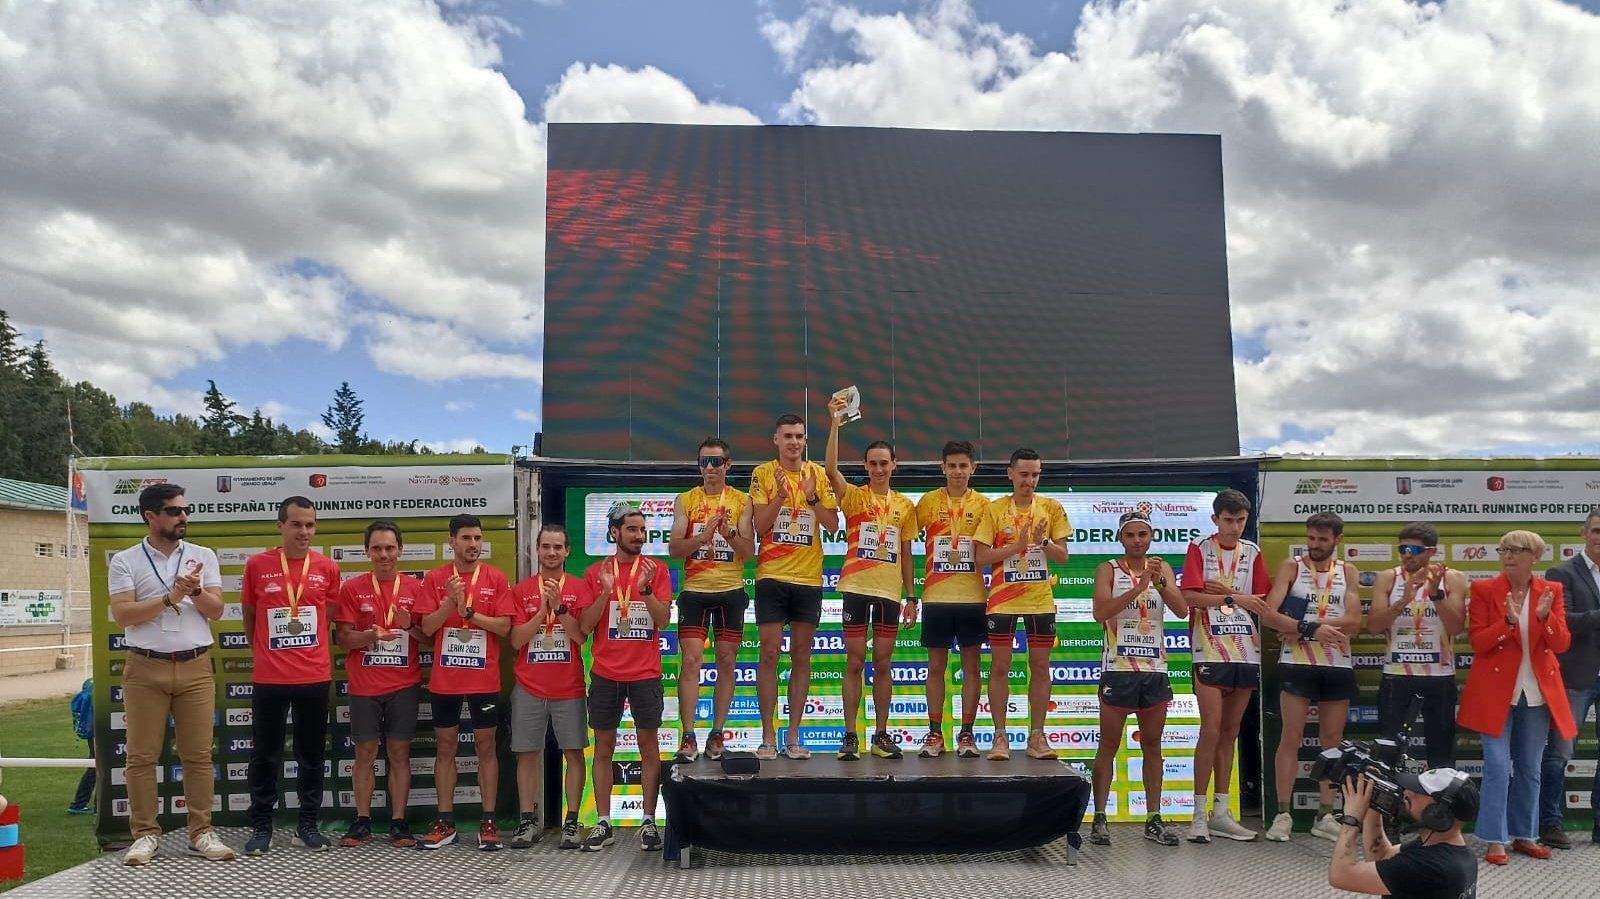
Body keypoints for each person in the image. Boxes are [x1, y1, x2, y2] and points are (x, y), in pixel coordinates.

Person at [107, 484, 234, 865]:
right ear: (151, 516)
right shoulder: (125, 560)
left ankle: (201, 832)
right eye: (174, 511)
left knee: (198, 755)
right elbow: (123, 615)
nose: (183, 517)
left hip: (195, 665)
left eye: (185, 510)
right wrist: (169, 598)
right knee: (141, 756)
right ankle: (145, 834)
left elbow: (216, 610)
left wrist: (193, 592)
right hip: (145, 666)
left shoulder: (202, 555)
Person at [1458, 529, 1573, 865]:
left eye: (1517, 550)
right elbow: (1478, 642)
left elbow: (1561, 643)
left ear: (1534, 557)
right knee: (1496, 766)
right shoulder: (1484, 589)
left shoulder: (1551, 590)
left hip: (1536, 693)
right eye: (1504, 550)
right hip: (1494, 693)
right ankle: (1495, 838)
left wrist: (1545, 617)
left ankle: (1525, 835)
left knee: (1530, 767)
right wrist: (1507, 622)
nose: (1508, 556)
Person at [241, 497, 341, 856]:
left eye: (310, 525)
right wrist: (265, 654)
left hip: (313, 675)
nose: (304, 532)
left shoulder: (327, 567)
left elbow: (327, 616)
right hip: (270, 677)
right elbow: (250, 617)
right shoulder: (257, 565)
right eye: (296, 524)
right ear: (280, 525)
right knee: (265, 755)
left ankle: (307, 826)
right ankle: (262, 827)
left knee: (311, 755)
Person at [824, 396, 917, 760]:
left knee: (883, 664)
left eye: (884, 463)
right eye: (873, 463)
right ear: (865, 465)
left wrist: (912, 597)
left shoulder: (904, 506)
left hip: (890, 593)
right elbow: (830, 470)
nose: (878, 469)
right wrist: (835, 424)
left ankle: (880, 734)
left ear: (894, 465)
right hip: (856, 588)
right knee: (854, 662)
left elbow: (907, 553)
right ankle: (850, 736)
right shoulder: (854, 497)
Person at [1088, 510, 1188, 847]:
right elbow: (1101, 612)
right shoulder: (1108, 570)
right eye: (1130, 535)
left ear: (1151, 537)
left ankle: (1153, 818)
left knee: (1152, 745)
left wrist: (1159, 583)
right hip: (1118, 668)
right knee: (1109, 744)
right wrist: (1138, 588)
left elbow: (1182, 610)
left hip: (1154, 668)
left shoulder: (1162, 568)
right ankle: (1099, 818)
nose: (1137, 541)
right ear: (1120, 538)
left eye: (1142, 534)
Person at [413, 514, 513, 851]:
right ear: (452, 542)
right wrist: (448, 602)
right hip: (446, 681)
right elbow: (427, 628)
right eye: (466, 538)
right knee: (446, 748)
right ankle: (445, 821)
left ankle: (489, 821)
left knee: (486, 746)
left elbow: (504, 628)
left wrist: (470, 614)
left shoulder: (495, 578)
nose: (473, 544)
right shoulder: (436, 578)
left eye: (477, 538)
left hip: (484, 679)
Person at [1263, 511, 1362, 843]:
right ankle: (1282, 814)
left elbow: (1354, 621)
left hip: (1336, 663)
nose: (1315, 545)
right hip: (1297, 661)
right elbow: (1269, 614)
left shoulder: (1348, 571)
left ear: (1337, 539)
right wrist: (1309, 629)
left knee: (1332, 740)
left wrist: (1303, 628)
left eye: (1322, 539)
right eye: (1311, 538)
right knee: (1290, 737)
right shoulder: (1292, 567)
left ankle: (1325, 814)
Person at [579, 503, 673, 853]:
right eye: (632, 529)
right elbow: (585, 625)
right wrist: (605, 592)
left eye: (642, 530)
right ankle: (603, 821)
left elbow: (663, 621)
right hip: (606, 673)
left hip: (645, 673)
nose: (639, 536)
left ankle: (648, 821)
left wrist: (646, 591)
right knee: (603, 747)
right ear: (614, 532)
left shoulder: (656, 570)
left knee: (649, 746)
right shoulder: (595, 572)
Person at [1179, 488, 1272, 843]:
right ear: (1215, 519)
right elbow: (1189, 596)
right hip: (1208, 648)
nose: (1235, 527)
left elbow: (1262, 601)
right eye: (1228, 520)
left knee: (1230, 732)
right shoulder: (1199, 548)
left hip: (1245, 650)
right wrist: (1233, 597)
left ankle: (1220, 812)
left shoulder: (1253, 552)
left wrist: (1220, 594)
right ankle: (1197, 816)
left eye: (1241, 520)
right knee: (1211, 729)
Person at [749, 413, 840, 760]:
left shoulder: (817, 473)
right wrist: (780, 497)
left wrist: (812, 497)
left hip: (808, 578)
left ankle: (794, 735)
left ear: (805, 441)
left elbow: (832, 526)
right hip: (772, 575)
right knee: (769, 654)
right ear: (776, 440)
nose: (794, 442)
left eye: (799, 436)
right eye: (787, 436)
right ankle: (767, 736)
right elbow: (759, 527)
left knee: (802, 656)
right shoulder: (763, 473)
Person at [973, 447, 1070, 761]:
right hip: (1003, 601)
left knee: (1040, 667)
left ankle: (1037, 736)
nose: (1029, 481)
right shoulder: (995, 509)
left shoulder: (1051, 507)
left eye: (1035, 475)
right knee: (1000, 667)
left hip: (1039, 601)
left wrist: (1043, 542)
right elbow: (980, 557)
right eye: (1024, 474)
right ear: (1010, 474)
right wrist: (1016, 546)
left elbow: (1063, 557)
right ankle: (1000, 735)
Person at [332, 520, 425, 849]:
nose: (384, 554)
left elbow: (429, 638)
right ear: (367, 551)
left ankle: (398, 822)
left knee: (399, 753)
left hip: (404, 684)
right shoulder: (352, 588)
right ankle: (362, 821)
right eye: (377, 548)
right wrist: (369, 635)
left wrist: (409, 626)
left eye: (389, 548)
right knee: (365, 753)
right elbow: (343, 638)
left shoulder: (415, 588)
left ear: (400, 550)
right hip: (365, 685)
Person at [667, 437, 755, 762]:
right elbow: (674, 549)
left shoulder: (742, 500)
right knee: (691, 661)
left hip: (730, 590)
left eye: (716, 461)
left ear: (727, 465)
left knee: (727, 662)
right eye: (704, 462)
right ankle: (688, 736)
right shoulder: (686, 500)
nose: (710, 468)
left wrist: (728, 534)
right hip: (695, 591)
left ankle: (717, 733)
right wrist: (702, 537)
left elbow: (749, 552)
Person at [506, 524, 592, 850]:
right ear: (537, 550)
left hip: (568, 686)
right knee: (527, 754)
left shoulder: (580, 588)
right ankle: (527, 821)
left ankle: (571, 822)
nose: (552, 552)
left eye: (558, 547)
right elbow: (516, 640)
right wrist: (543, 610)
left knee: (574, 753)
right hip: (529, 685)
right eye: (546, 547)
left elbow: (581, 636)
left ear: (567, 551)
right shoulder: (522, 590)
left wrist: (561, 609)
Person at [1367, 522, 1467, 771]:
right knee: (1388, 749)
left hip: (1439, 674)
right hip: (1398, 673)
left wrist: (1436, 595)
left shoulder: (1451, 578)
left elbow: (1456, 627)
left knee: (1441, 751)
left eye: (1414, 550)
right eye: (1403, 549)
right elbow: (1374, 627)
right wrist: (1403, 600)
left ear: (1431, 551)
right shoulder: (1388, 577)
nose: (1407, 555)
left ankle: (1439, 796)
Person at [913, 440, 989, 759]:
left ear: (973, 468)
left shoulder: (984, 505)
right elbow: (903, 534)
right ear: (942, 467)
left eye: (963, 466)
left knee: (972, 668)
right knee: (936, 667)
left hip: (973, 597)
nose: (958, 472)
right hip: (936, 596)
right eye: (952, 466)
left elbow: (989, 550)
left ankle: (967, 734)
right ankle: (935, 733)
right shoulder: (928, 501)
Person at [1538, 506, 1600, 849]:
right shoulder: (1561, 572)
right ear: (1584, 533)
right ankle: (1550, 823)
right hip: (1576, 676)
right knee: (1559, 753)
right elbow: (1566, 623)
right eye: (1596, 530)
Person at [1327, 769, 1480, 899]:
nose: (1407, 793)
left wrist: (1352, 820)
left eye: (1417, 791)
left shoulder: (1427, 866)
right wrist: (1374, 807)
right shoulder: (1450, 851)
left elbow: (1341, 875)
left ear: (1438, 812)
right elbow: (1383, 856)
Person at [66, 677, 95, 815]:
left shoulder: (90, 683)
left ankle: (79, 804)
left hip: (92, 733)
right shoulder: (96, 685)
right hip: (97, 733)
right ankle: (81, 804)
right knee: (97, 769)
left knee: (95, 768)